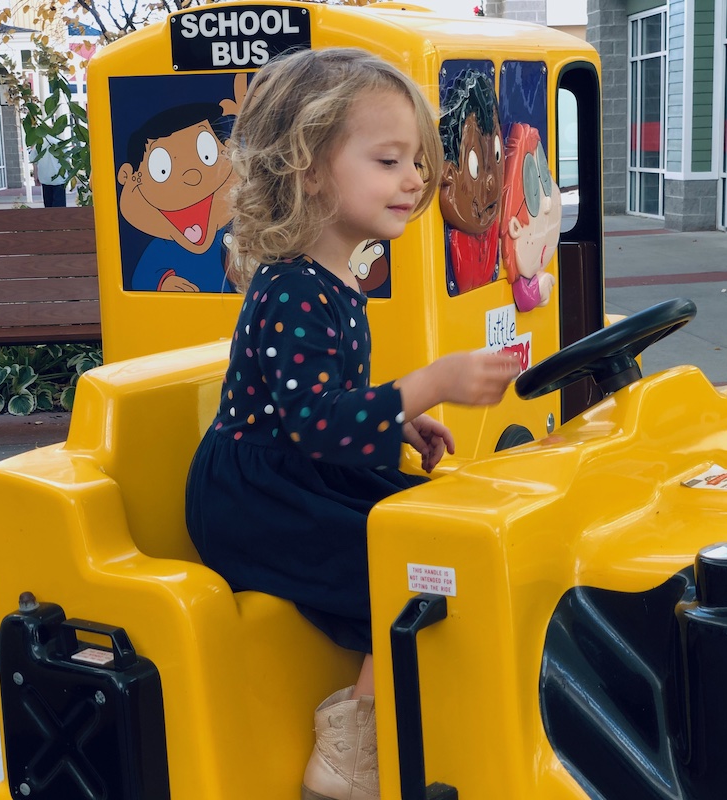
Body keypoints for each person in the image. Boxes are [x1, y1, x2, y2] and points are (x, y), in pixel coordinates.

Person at [185, 47, 521, 800]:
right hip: (253, 499)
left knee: (434, 532)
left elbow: (323, 400)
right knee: (404, 567)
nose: (415, 180)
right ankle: (350, 751)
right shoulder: (290, 290)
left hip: (298, 468)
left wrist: (396, 425)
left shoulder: (335, 280)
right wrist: (427, 387)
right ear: (308, 167)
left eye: (418, 161)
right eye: (388, 160)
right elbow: (310, 422)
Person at [29, 137, 68, 208]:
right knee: (60, 208)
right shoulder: (59, 143)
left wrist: (35, 176)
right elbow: (67, 161)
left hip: (45, 178)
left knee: (48, 207)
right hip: (59, 178)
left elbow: (34, 162)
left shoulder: (38, 145)